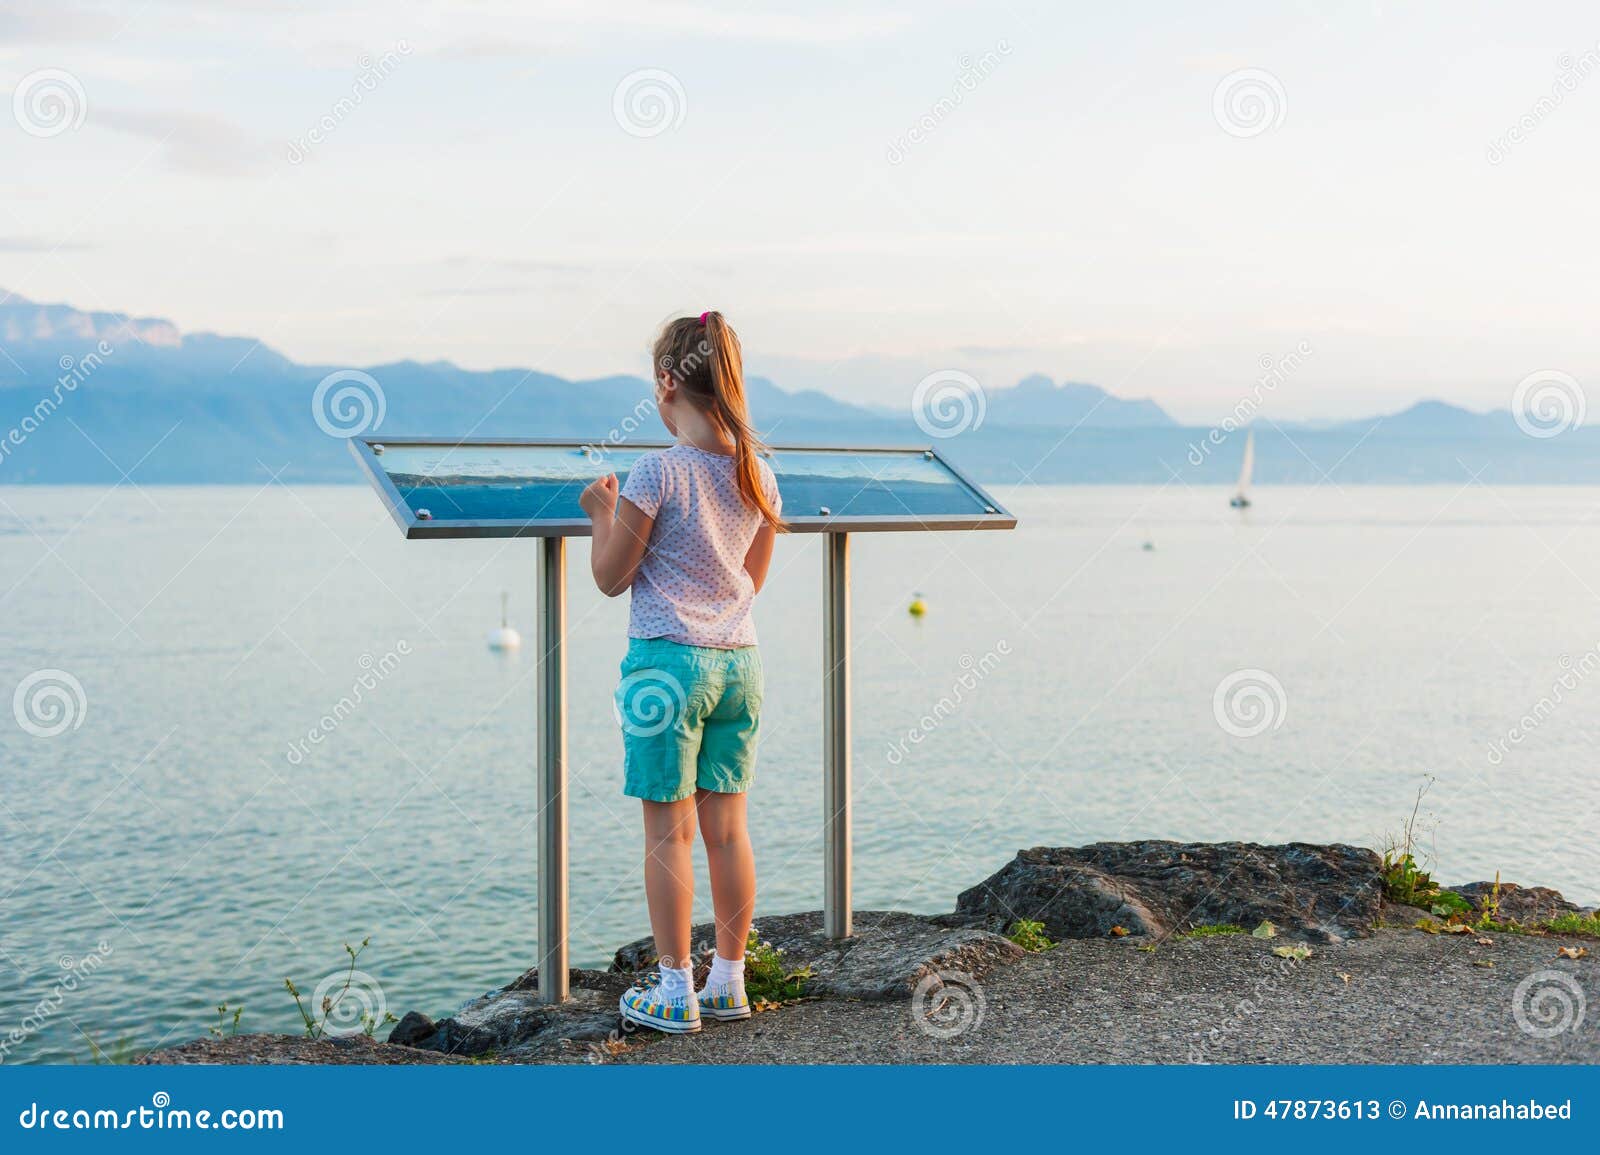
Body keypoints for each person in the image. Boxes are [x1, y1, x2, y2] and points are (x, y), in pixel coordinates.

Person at [578, 310, 783, 1032]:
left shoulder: (656, 470)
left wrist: (602, 510)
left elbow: (610, 575)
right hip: (739, 666)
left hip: (667, 666)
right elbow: (750, 580)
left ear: (666, 384)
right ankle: (727, 979)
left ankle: (674, 988)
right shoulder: (759, 474)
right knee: (728, 831)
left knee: (669, 836)